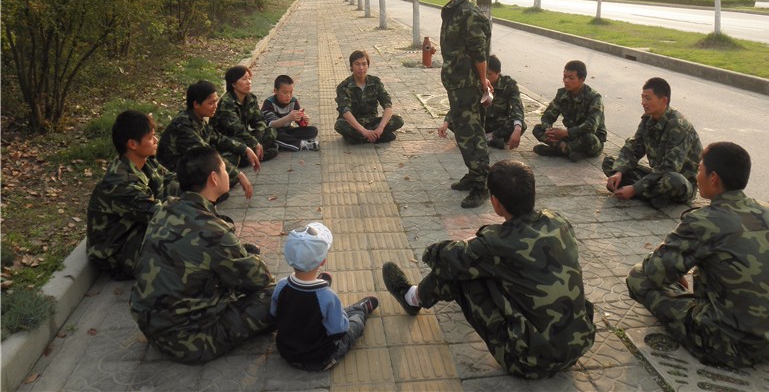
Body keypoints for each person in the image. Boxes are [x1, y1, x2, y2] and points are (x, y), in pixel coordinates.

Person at [382, 160, 596, 379]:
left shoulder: (496, 243)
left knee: (460, 271)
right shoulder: (558, 221)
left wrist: (472, 242)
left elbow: (442, 257)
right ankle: (417, 296)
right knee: (483, 265)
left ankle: (412, 298)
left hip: (527, 362)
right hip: (578, 345)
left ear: (495, 202)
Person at [626, 142, 769, 368]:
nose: (696, 175)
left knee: (637, 276)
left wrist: (668, 263)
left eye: (700, 169)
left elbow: (654, 272)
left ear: (713, 178)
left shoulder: (705, 220)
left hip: (730, 346)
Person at [130, 146, 276, 364]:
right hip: (191, 341)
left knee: (240, 256)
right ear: (214, 179)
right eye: (224, 169)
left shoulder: (166, 209)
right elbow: (260, 280)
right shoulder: (213, 231)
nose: (228, 174)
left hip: (151, 327)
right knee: (277, 295)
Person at [270, 222, 378, 371]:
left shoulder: (281, 285)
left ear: (288, 257)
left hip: (286, 351)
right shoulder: (328, 296)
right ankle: (361, 310)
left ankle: (315, 286)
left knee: (324, 309)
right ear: (323, 261)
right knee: (354, 322)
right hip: (319, 358)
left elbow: (274, 314)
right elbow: (339, 331)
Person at [86, 110, 179, 280]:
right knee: (186, 247)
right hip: (118, 252)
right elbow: (161, 214)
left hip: (138, 228)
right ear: (132, 144)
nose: (156, 140)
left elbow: (172, 182)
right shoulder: (119, 183)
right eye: (150, 137)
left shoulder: (146, 162)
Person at [437, 0, 492, 209]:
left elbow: (479, 53)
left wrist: (483, 81)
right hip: (456, 83)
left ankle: (482, 185)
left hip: (468, 85)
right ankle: (473, 173)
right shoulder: (453, 9)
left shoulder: (469, 13)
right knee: (462, 132)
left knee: (472, 134)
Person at [602, 77, 702, 209]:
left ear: (664, 100)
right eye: (642, 97)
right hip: (656, 176)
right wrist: (618, 172)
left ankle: (639, 193)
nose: (643, 102)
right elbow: (633, 148)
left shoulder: (679, 126)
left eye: (648, 98)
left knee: (673, 180)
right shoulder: (648, 119)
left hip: (678, 181)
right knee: (610, 163)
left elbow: (669, 167)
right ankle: (654, 196)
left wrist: (635, 188)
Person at [157, 80, 258, 199]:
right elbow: (206, 155)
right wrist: (239, 175)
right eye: (211, 103)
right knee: (219, 190)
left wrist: (245, 149)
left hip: (192, 165)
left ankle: (221, 181)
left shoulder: (197, 118)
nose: (215, 106)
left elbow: (218, 138)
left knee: (233, 154)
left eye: (216, 102)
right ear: (196, 104)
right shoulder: (183, 126)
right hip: (176, 173)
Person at [439, 55, 525, 150]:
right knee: (455, 120)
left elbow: (517, 106)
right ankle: (490, 140)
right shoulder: (476, 81)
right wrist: (446, 123)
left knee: (519, 124)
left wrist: (517, 129)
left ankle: (487, 138)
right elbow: (460, 103)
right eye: (485, 74)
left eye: (490, 74)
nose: (486, 77)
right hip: (478, 122)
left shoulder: (509, 84)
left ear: (498, 73)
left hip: (498, 124)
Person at [532, 60, 607, 162]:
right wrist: (548, 129)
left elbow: (591, 125)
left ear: (582, 79)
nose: (566, 80)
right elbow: (547, 116)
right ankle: (567, 150)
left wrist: (566, 133)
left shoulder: (594, 97)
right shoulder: (562, 94)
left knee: (589, 138)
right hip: (571, 138)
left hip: (590, 140)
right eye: (564, 77)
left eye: (571, 78)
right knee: (538, 129)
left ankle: (558, 150)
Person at [334, 50, 404, 144]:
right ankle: (378, 137)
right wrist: (363, 131)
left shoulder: (375, 82)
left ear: (368, 66)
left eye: (364, 64)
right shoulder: (343, 87)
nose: (361, 68)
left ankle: (359, 139)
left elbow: (388, 106)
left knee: (398, 120)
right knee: (340, 124)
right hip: (354, 124)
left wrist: (380, 128)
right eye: (357, 64)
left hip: (372, 122)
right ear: (351, 66)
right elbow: (345, 112)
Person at [211, 65, 279, 162]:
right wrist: (254, 143)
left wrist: (257, 138)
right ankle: (253, 155)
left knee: (271, 131)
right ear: (234, 84)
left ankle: (254, 154)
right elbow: (237, 130)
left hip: (245, 137)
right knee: (238, 144)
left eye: (249, 78)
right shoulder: (226, 103)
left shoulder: (251, 98)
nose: (249, 82)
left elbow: (260, 120)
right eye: (244, 79)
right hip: (228, 139)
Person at [261, 74, 320, 151]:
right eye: (285, 92)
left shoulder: (293, 101)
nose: (288, 96)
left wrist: (303, 120)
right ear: (275, 91)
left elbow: (300, 123)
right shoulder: (269, 103)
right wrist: (288, 118)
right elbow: (271, 124)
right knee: (275, 134)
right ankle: (301, 144)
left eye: (291, 92)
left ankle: (285, 144)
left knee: (313, 130)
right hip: (273, 131)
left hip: (288, 131)